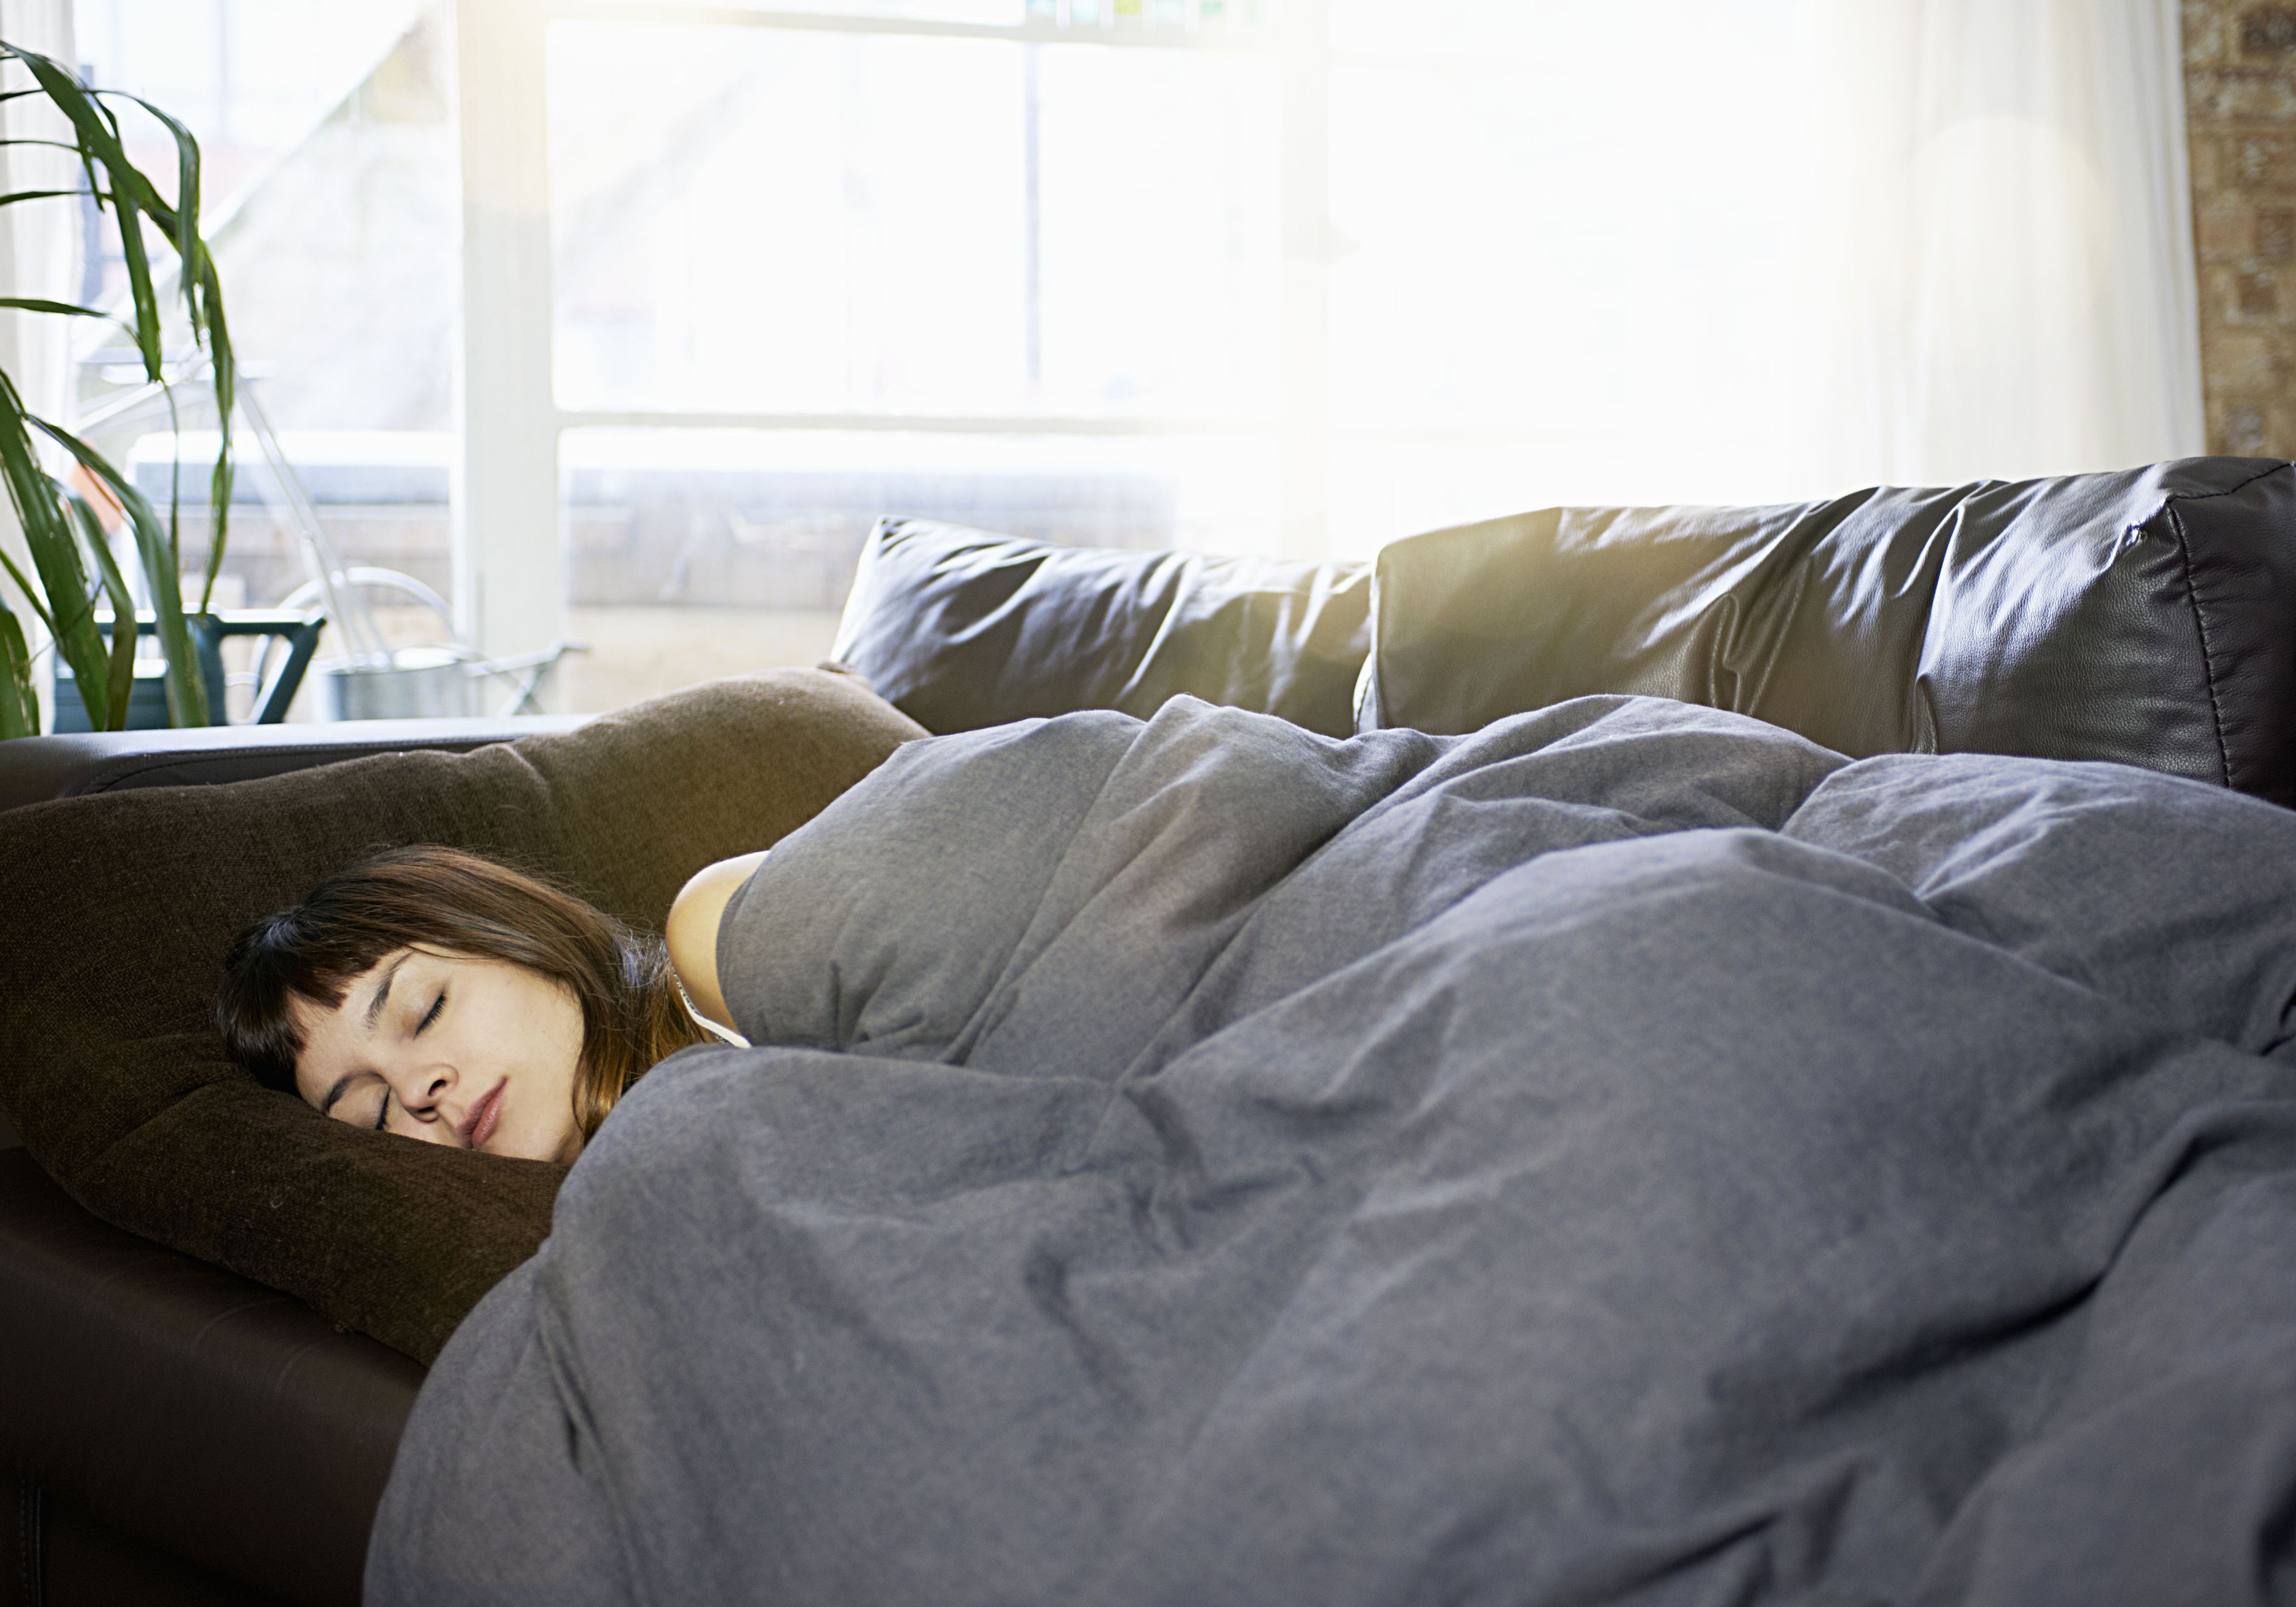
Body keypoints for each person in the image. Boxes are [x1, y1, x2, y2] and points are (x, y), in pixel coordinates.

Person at [214, 844, 759, 1163]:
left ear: (517, 935)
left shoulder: (718, 932)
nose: (414, 1090)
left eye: (425, 1011)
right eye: (377, 1115)